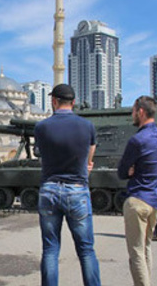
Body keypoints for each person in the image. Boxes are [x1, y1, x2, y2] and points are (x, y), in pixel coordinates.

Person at [34, 83, 100, 286]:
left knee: (51, 250)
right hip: (77, 190)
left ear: (53, 101)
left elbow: (40, 154)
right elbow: (90, 157)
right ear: (73, 102)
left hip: (50, 189)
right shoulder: (87, 126)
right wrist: (86, 165)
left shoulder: (42, 127)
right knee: (86, 250)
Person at [118, 95, 157, 286]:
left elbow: (122, 172)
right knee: (146, 248)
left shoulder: (137, 140)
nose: (131, 115)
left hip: (138, 200)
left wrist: (131, 170)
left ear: (140, 112)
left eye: (132, 111)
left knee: (136, 253)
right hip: (155, 202)